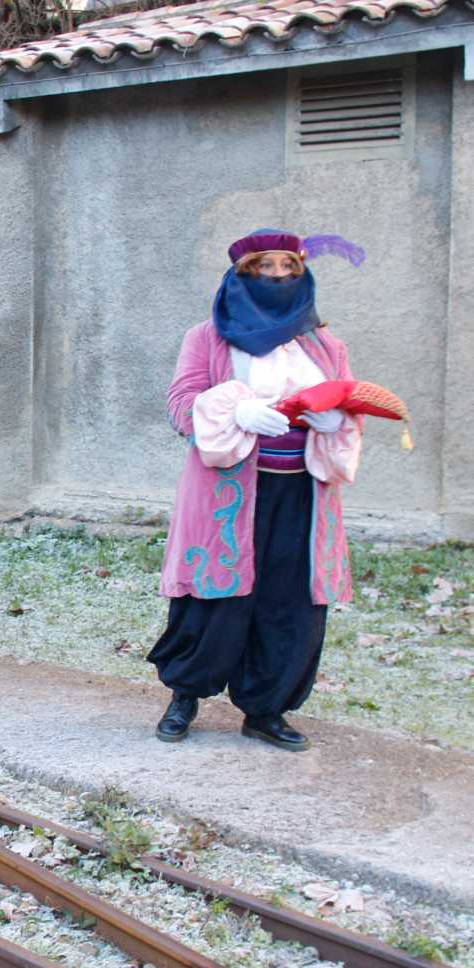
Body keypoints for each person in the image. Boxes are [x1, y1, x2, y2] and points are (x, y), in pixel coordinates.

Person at [151, 230, 366, 752]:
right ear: (241, 274)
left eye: (288, 265)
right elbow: (182, 404)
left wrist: (334, 414)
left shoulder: (327, 345)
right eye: (264, 265)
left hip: (304, 497)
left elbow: (351, 403)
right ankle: (185, 695)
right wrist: (235, 411)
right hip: (227, 495)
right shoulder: (207, 337)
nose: (277, 275)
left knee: (289, 603)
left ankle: (266, 709)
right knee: (214, 598)